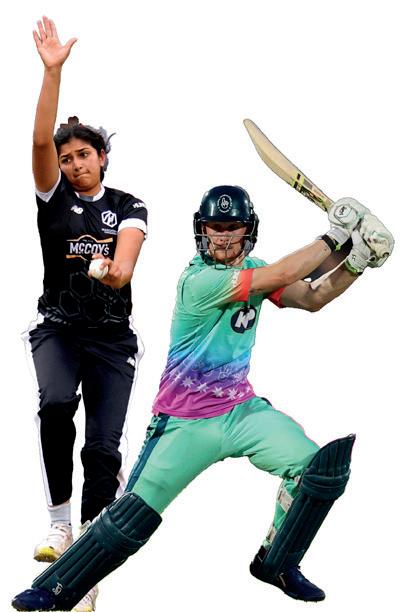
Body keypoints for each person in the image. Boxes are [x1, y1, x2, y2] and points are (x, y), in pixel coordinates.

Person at [12, 185, 393, 611]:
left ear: (248, 230)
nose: (224, 237)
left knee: (318, 470)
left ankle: (278, 562)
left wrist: (356, 262)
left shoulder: (257, 268)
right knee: (129, 519)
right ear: (202, 230)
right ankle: (53, 588)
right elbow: (282, 274)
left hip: (240, 410)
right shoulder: (199, 281)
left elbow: (311, 296)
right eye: (216, 227)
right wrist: (336, 235)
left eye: (233, 227)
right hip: (183, 422)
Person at [21, 16, 148, 612]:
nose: (74, 164)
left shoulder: (129, 205)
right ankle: (59, 522)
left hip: (112, 339)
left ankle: (91, 563)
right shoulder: (55, 198)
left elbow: (124, 266)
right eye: (66, 157)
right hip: (59, 328)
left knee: (102, 449)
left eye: (83, 155)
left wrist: (109, 270)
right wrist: (53, 72)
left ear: (102, 158)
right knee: (53, 403)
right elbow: (39, 143)